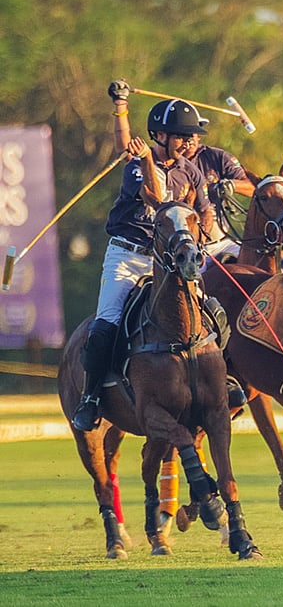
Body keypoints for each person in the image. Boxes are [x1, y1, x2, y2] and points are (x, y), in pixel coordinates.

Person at [71, 82, 214, 431]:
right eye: (181, 135)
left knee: (213, 314)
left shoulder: (189, 169)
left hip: (170, 260)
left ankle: (221, 382)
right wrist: (132, 129)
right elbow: (157, 196)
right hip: (128, 255)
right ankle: (91, 397)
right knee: (105, 325)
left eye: (189, 136)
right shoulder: (137, 165)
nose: (187, 142)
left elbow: (205, 209)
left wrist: (203, 237)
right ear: (160, 135)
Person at [180, 125, 256, 265]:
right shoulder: (167, 163)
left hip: (222, 242)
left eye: (192, 135)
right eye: (183, 136)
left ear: (199, 136)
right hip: (185, 246)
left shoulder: (217, 157)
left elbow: (253, 188)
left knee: (256, 266)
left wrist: (231, 185)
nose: (189, 141)